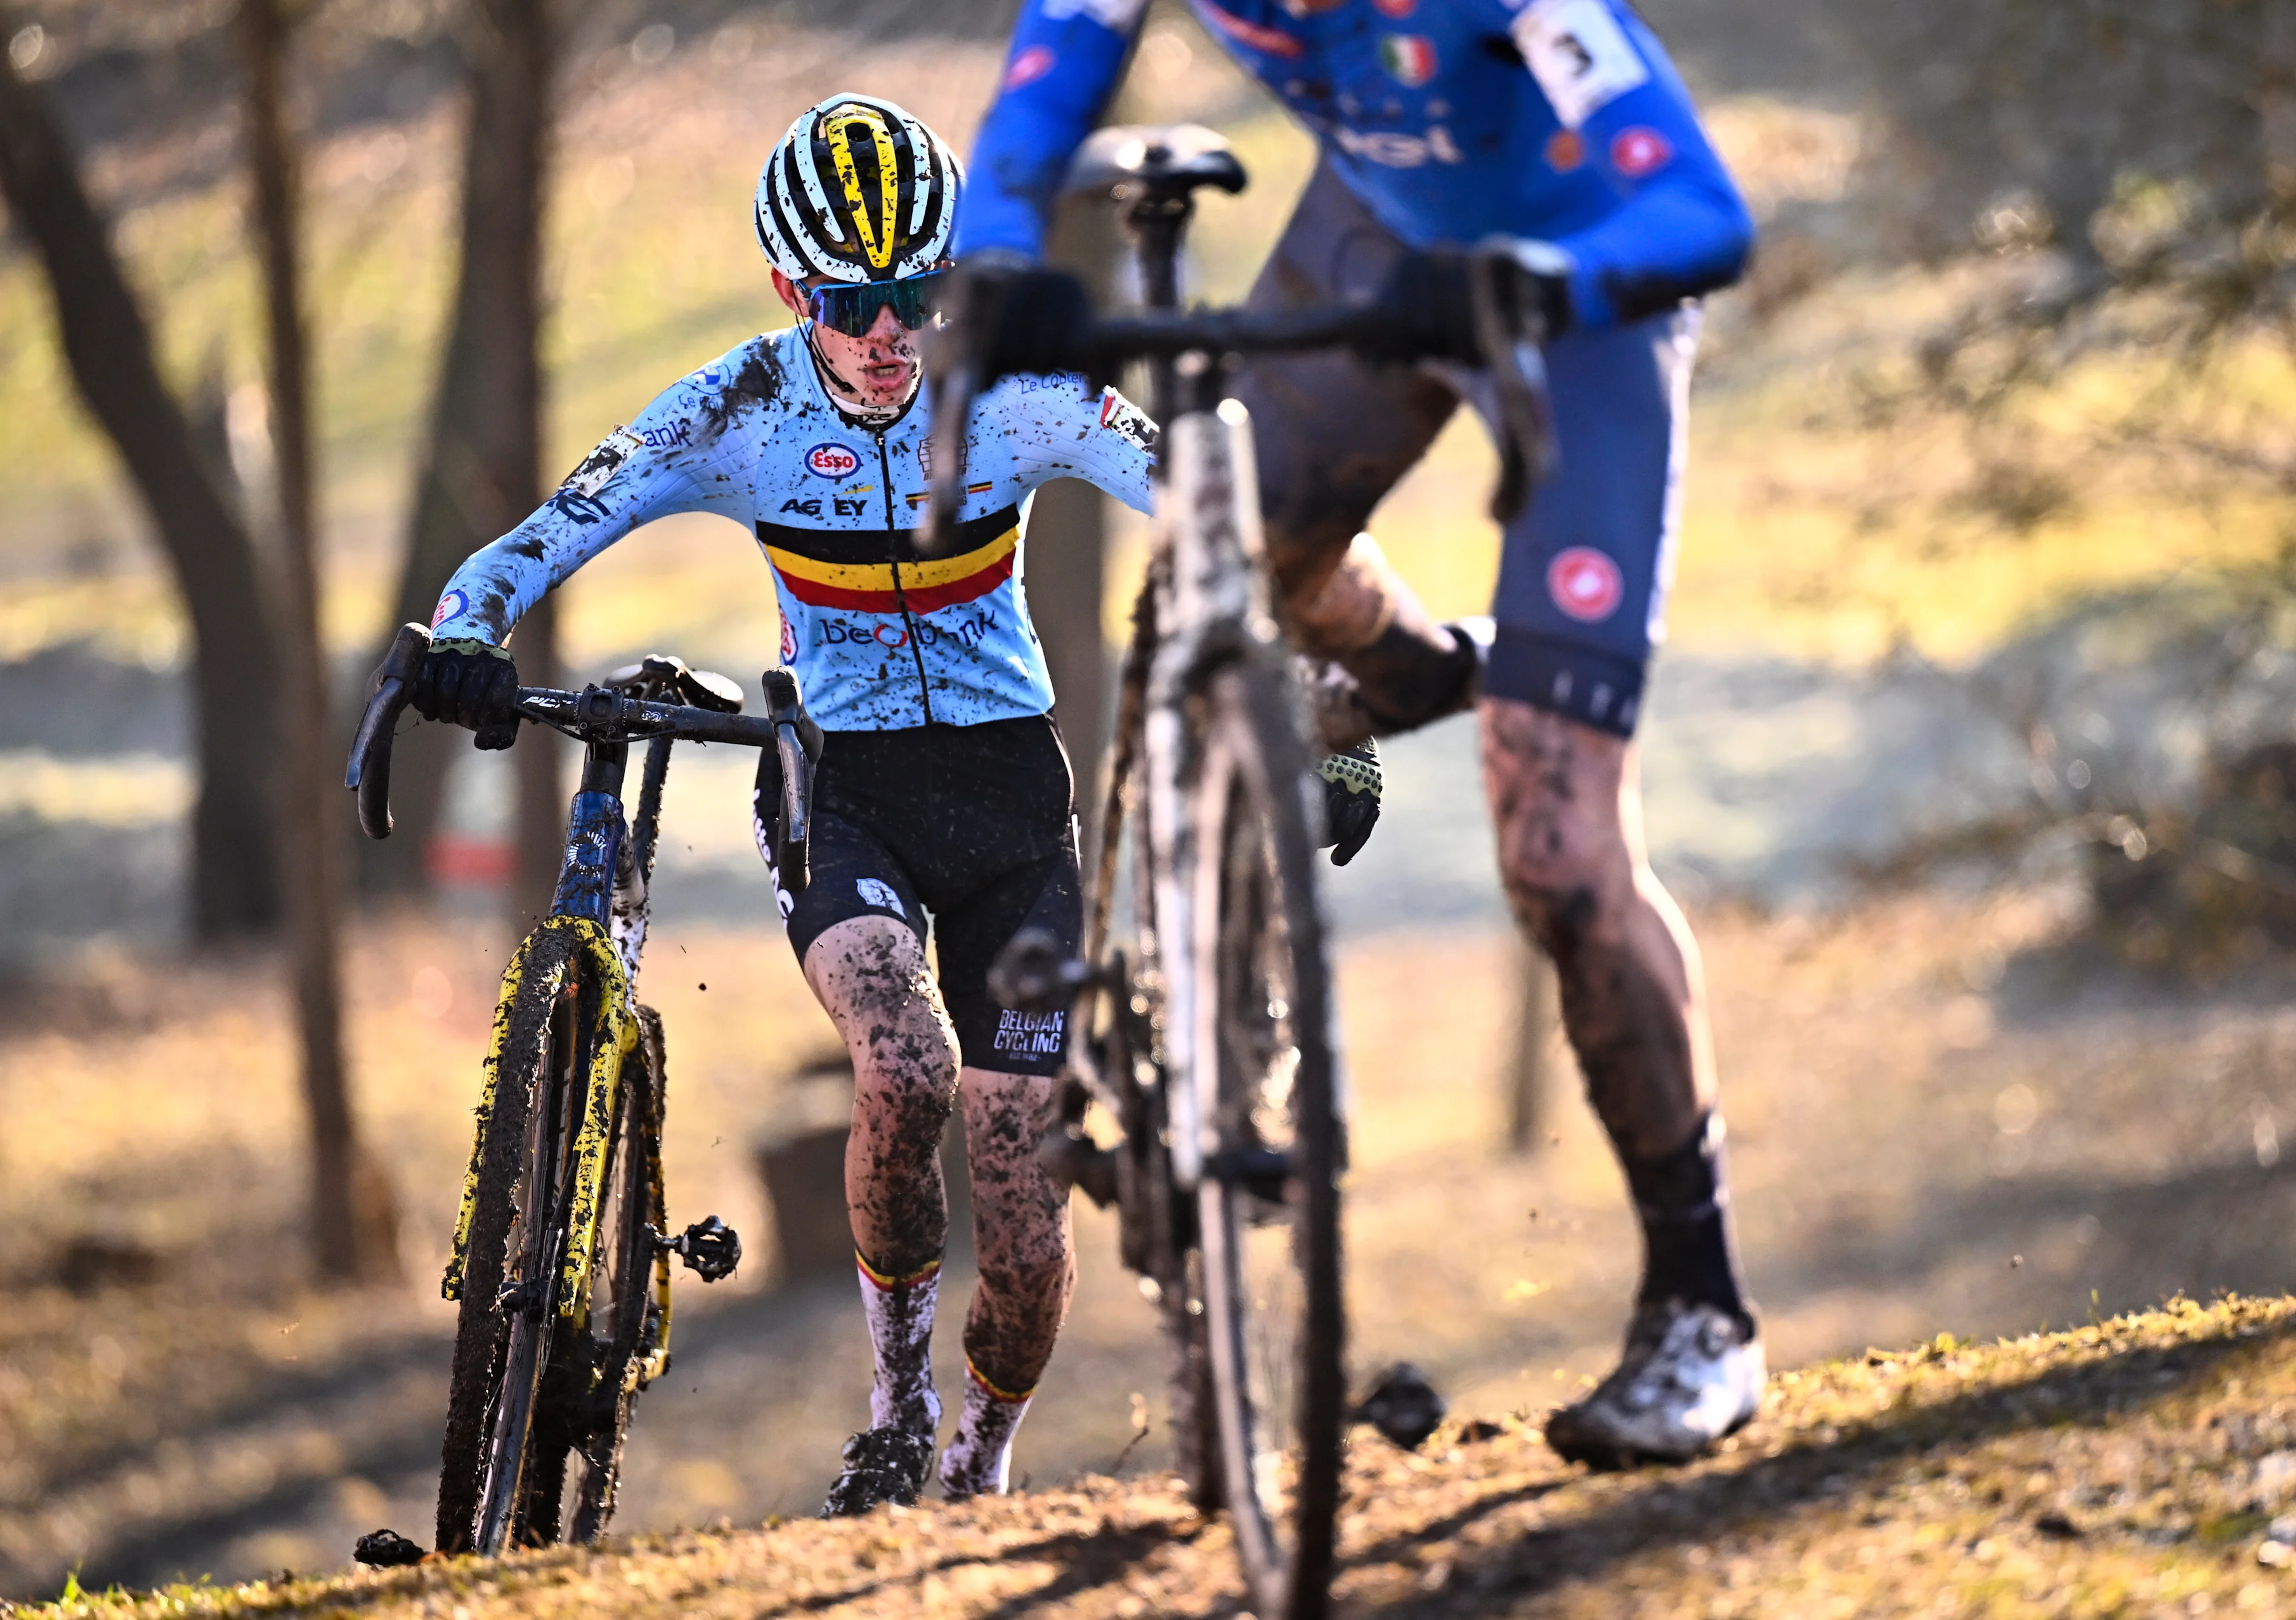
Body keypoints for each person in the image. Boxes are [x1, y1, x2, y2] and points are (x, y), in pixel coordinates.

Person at [958, 0, 1764, 1464]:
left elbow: (1703, 211)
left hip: (1578, 293)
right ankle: (1393, 671)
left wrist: (1539, 277)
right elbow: (1043, 88)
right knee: (1222, 541)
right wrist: (1002, 256)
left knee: (1560, 850)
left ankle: (1702, 1309)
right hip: (1380, 233)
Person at [410, 94, 1166, 1515]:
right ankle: (895, 1404)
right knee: (904, 1062)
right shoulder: (740, 405)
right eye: (849, 300)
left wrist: (1323, 693)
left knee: (1021, 1193)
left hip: (1013, 795)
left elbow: (1222, 505)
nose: (890, 331)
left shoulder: (1022, 384)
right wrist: (460, 628)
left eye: (917, 293)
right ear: (787, 292)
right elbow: (551, 527)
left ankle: (979, 1463)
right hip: (847, 781)